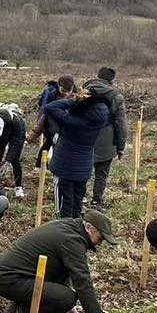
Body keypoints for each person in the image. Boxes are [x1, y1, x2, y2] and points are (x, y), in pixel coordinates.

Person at [0, 210, 114, 313]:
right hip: (9, 280)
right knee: (67, 298)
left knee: (65, 297)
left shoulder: (69, 229)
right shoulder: (72, 240)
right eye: (100, 238)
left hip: (9, 276)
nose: (99, 243)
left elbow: (62, 269)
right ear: (89, 227)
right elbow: (82, 280)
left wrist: (68, 304)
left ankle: (16, 308)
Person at [31, 83, 109, 218]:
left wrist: (74, 100)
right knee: (77, 201)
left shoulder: (72, 120)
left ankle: (64, 228)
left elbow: (49, 107)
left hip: (64, 167)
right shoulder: (101, 115)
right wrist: (85, 102)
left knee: (63, 203)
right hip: (84, 167)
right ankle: (76, 227)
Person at [83, 67, 128, 208]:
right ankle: (96, 201)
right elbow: (121, 124)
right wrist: (120, 147)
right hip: (106, 140)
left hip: (83, 136)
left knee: (83, 169)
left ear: (97, 76)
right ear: (112, 80)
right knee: (101, 174)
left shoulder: (84, 91)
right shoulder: (116, 96)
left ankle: (80, 197)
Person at [0, 102, 28, 197]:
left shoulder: (17, 121)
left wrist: (8, 160)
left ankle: (18, 187)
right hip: (1, 135)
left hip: (15, 133)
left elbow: (15, 143)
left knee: (15, 159)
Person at [34, 75, 71, 166]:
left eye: (68, 91)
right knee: (50, 143)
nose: (66, 94)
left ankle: (51, 165)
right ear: (59, 86)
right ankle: (42, 165)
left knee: (58, 146)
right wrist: (54, 130)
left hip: (67, 126)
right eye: (63, 91)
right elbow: (47, 111)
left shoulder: (76, 96)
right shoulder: (52, 95)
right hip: (51, 125)